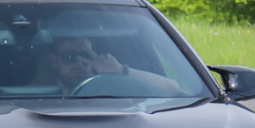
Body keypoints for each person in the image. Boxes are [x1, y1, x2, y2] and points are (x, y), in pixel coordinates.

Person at [46, 37, 179, 95]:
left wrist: (119, 70)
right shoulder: (37, 95)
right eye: (70, 57)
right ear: (53, 61)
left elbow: (171, 88)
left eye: (85, 56)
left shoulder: (113, 92)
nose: (79, 63)